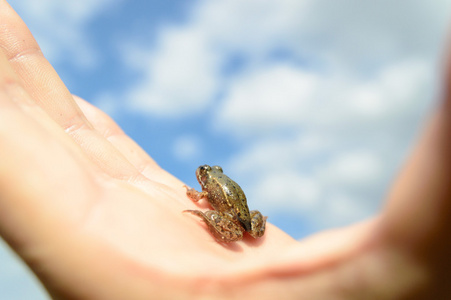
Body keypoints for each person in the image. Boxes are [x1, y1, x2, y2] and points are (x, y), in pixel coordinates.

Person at [0, 1, 450, 299]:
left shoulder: (205, 188)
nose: (201, 178)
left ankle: (225, 225)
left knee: (225, 228)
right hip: (246, 214)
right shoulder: (217, 184)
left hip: (233, 217)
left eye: (203, 174)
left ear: (206, 177)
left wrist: (202, 208)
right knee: (244, 227)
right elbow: (215, 197)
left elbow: (203, 196)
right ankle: (251, 225)